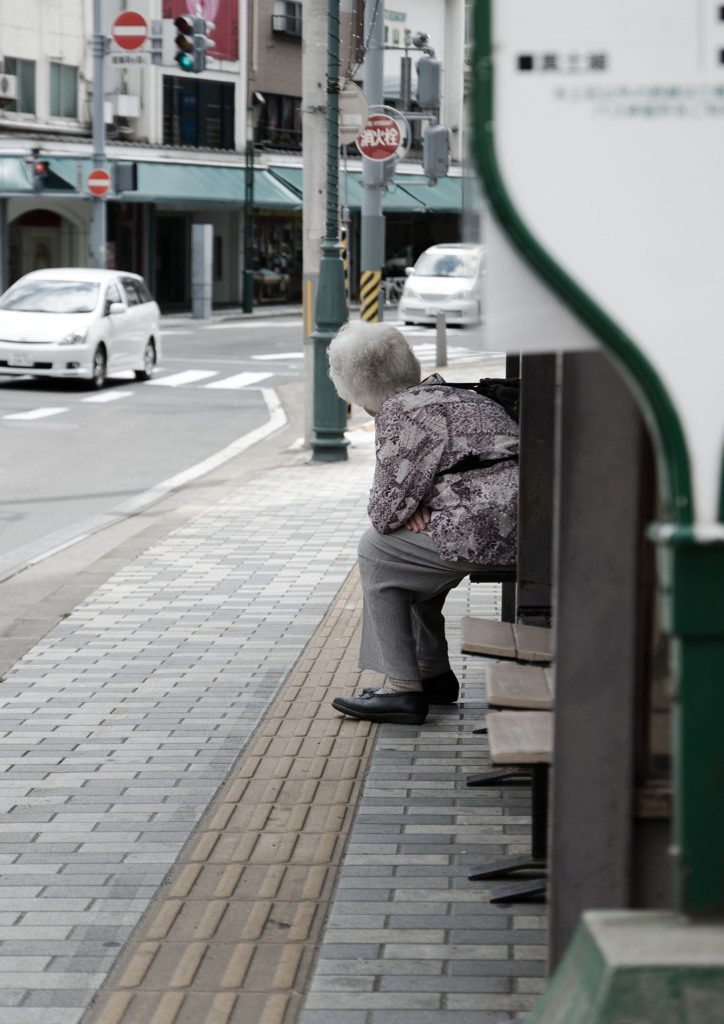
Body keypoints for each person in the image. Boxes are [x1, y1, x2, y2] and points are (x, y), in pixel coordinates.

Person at [327, 320, 518, 726]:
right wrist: (414, 500)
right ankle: (431, 672)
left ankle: (401, 689)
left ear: (355, 387)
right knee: (410, 551)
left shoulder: (400, 412)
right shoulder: (455, 395)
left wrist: (411, 502)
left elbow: (382, 513)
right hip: (524, 522)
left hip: (491, 530)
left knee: (379, 550)